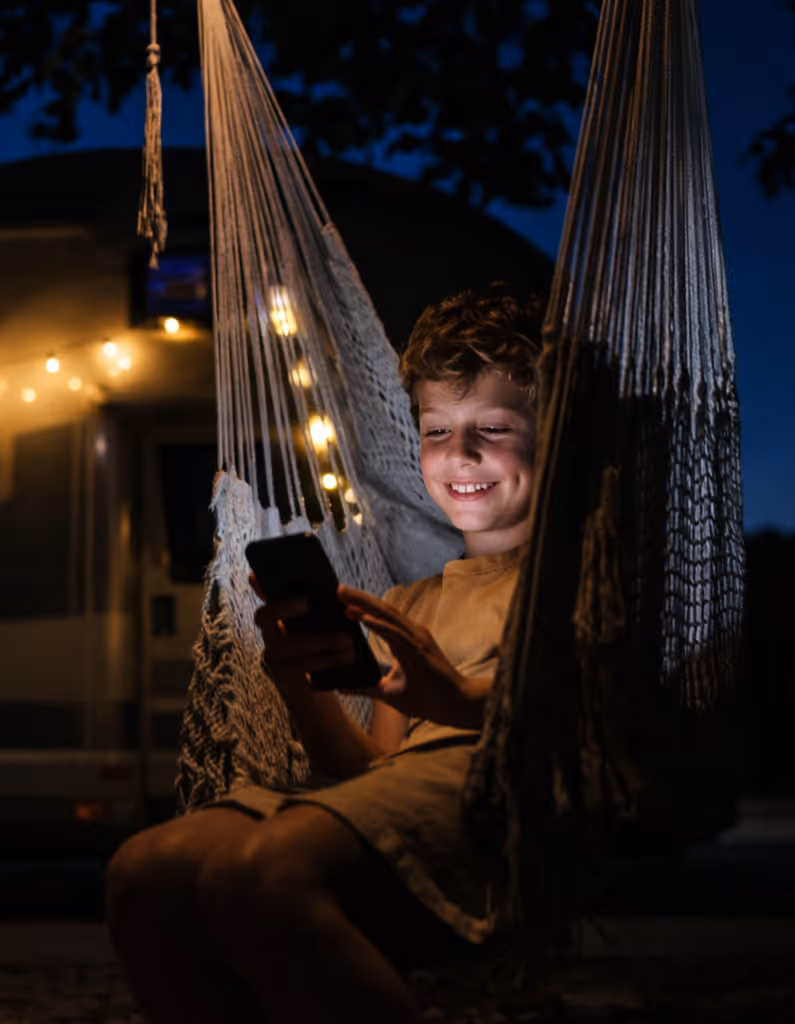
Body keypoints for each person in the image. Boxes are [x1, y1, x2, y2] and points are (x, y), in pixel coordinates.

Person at [106, 283, 546, 1024]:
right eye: (437, 431)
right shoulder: (412, 603)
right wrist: (297, 682)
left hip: (497, 806)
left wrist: (459, 702)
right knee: (143, 871)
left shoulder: (572, 581)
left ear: (551, 431)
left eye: (493, 427)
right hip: (395, 802)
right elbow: (370, 771)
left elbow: (582, 714)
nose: (460, 455)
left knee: (259, 876)